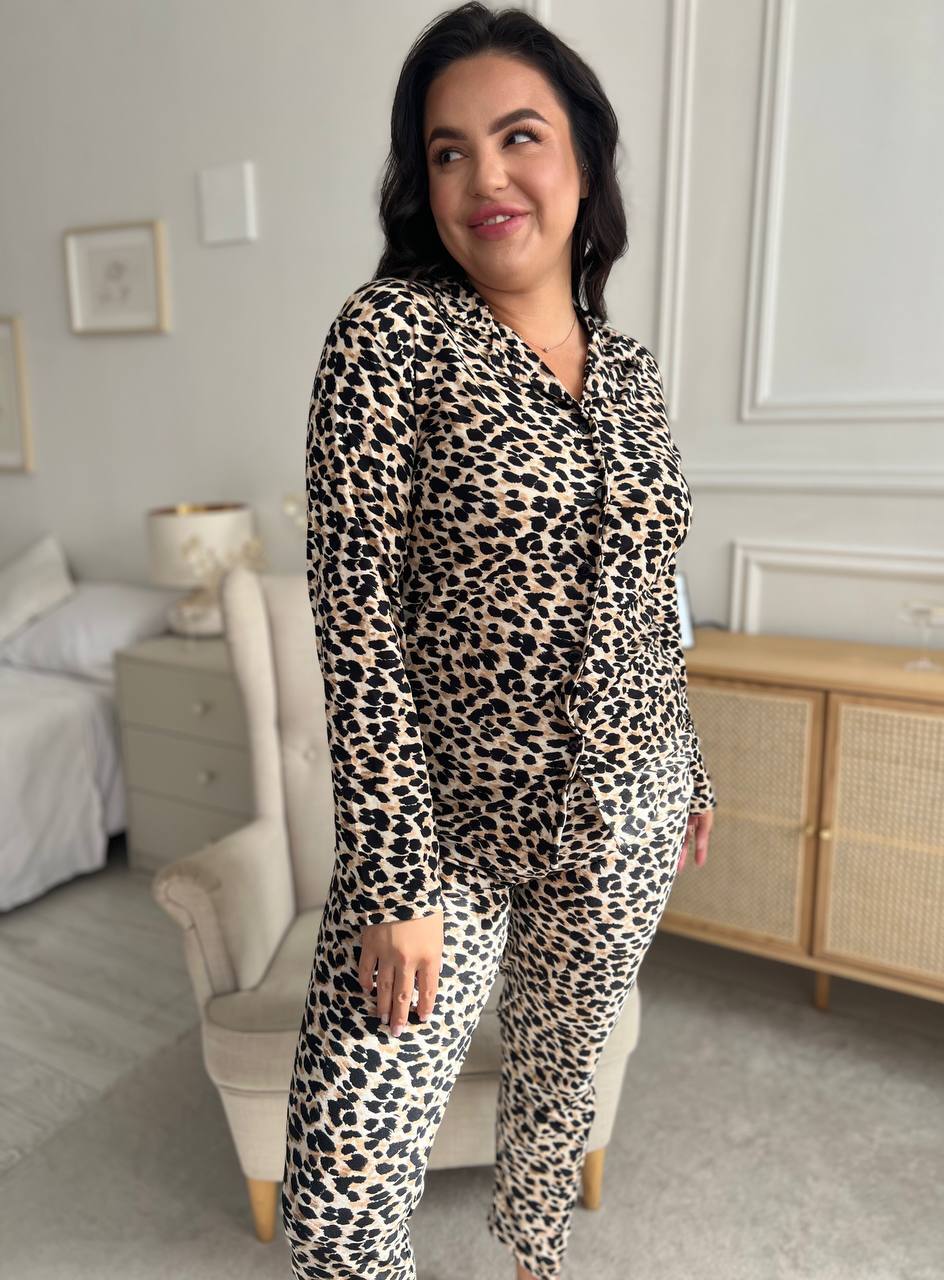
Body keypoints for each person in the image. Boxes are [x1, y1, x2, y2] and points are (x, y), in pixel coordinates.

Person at [282, 4, 717, 1278]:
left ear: (582, 155)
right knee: (342, 1189)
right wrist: (392, 882)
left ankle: (534, 1255)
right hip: (447, 836)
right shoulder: (387, 337)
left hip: (628, 803)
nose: (485, 176)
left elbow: (650, 596)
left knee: (559, 1068)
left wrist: (688, 762)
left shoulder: (632, 374)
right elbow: (355, 619)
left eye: (519, 136)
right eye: (448, 151)